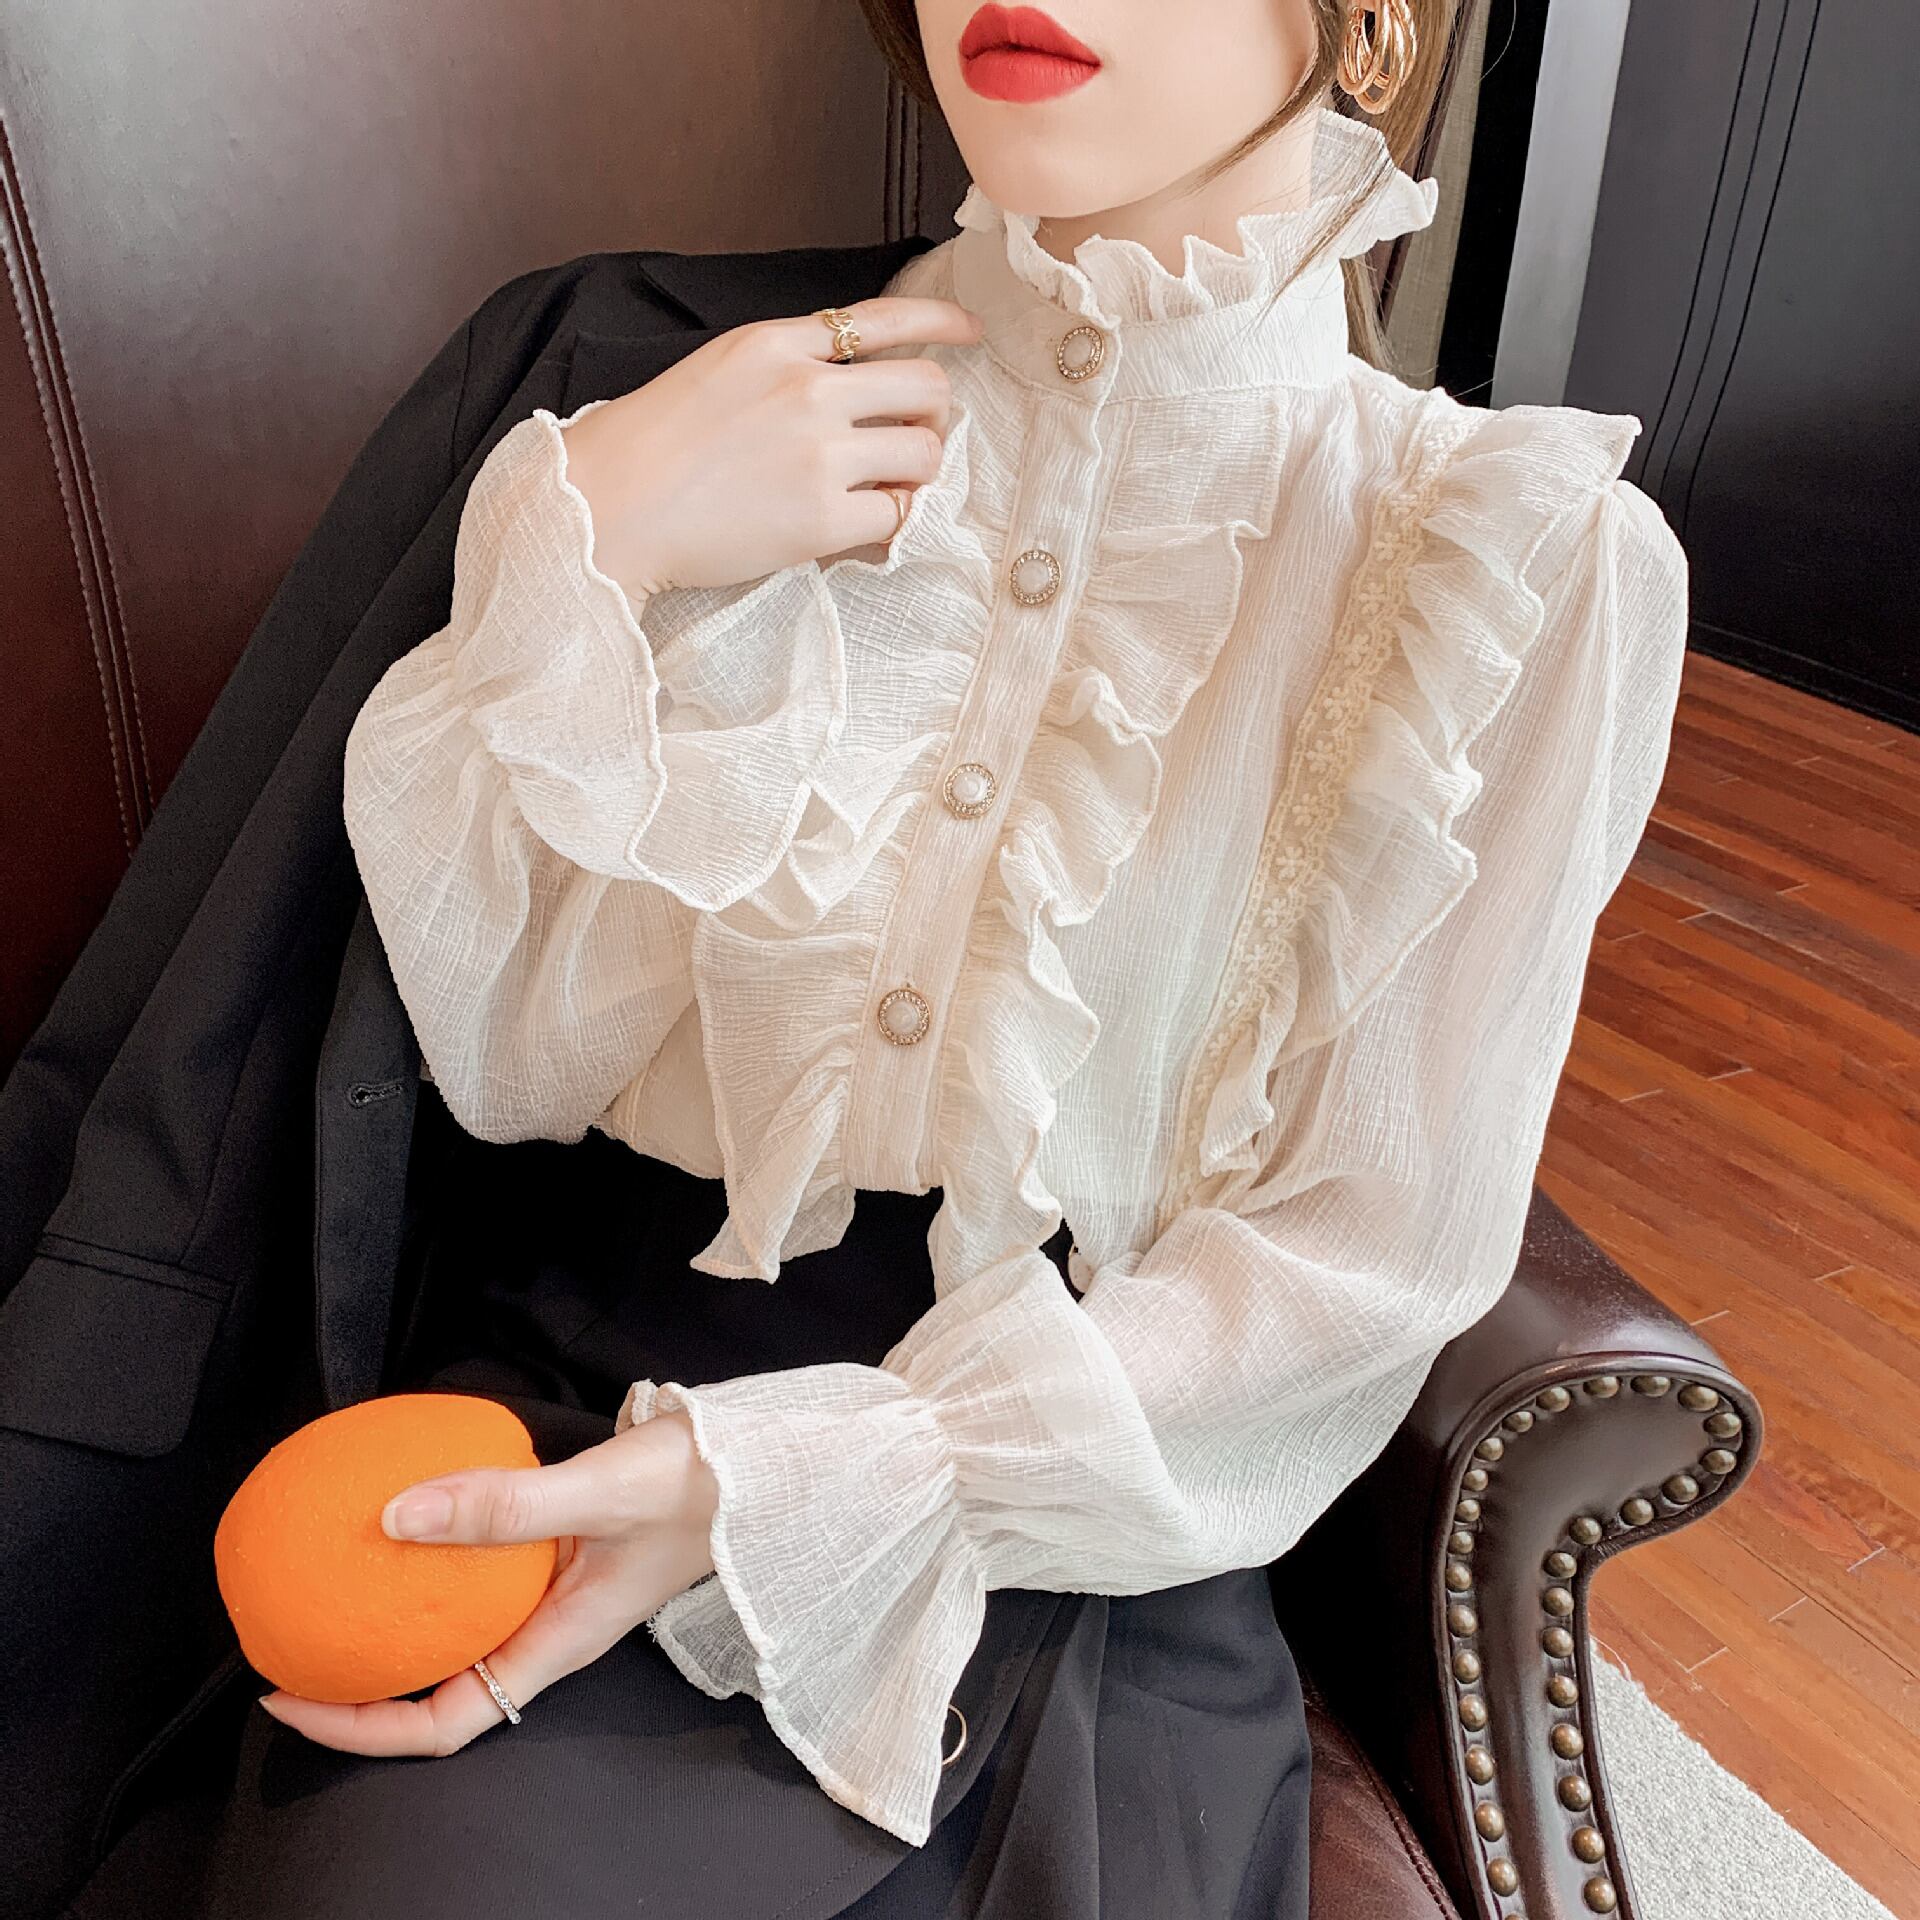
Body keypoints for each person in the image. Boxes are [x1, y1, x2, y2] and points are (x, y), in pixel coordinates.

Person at [52, 0, 1688, 1914]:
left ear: (1381, 22)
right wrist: (596, 549)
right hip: (570, 1393)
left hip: (1052, 1505)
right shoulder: (657, 392)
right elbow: (503, 1052)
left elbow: (1363, 1260)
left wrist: (808, 1483)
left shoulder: (1527, 569)